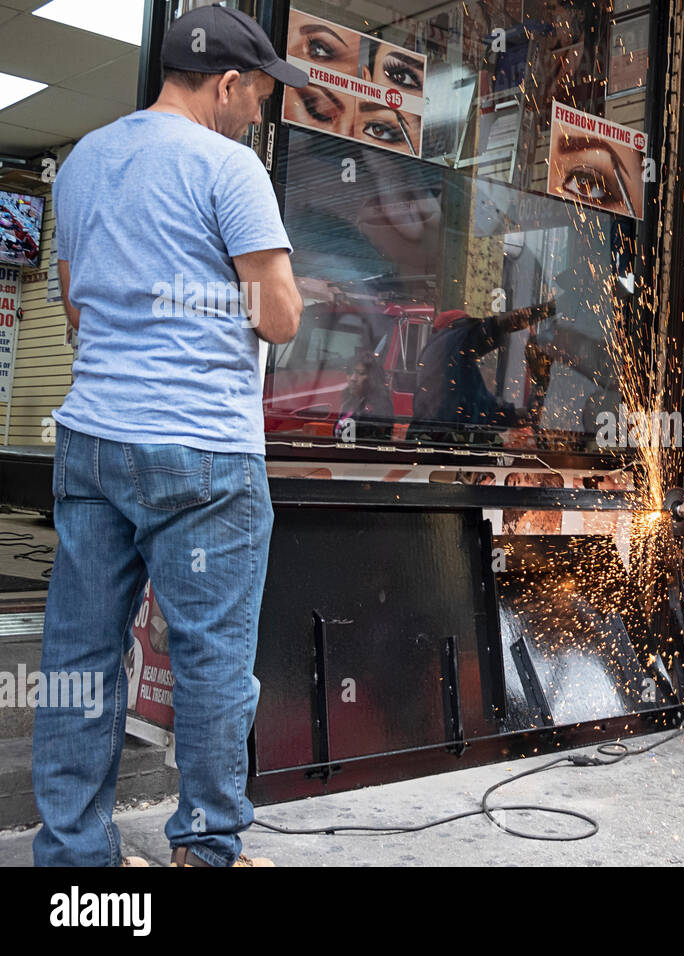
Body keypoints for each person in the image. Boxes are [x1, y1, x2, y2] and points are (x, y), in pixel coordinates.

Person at [34, 6, 306, 868]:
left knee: (79, 661)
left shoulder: (81, 161)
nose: (258, 111)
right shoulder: (230, 166)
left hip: (91, 443)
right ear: (226, 84)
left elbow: (77, 312)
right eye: (258, 93)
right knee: (213, 663)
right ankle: (206, 850)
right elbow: (281, 318)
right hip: (203, 457)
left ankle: (75, 861)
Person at [409, 300, 555, 436]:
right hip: (445, 446)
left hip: (429, 443)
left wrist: (532, 410)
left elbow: (497, 414)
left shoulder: (444, 365)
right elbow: (501, 324)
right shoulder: (456, 337)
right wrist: (550, 308)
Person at [335, 350, 395, 441]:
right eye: (350, 372)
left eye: (360, 373)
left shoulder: (379, 407)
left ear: (372, 378)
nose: (353, 378)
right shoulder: (348, 400)